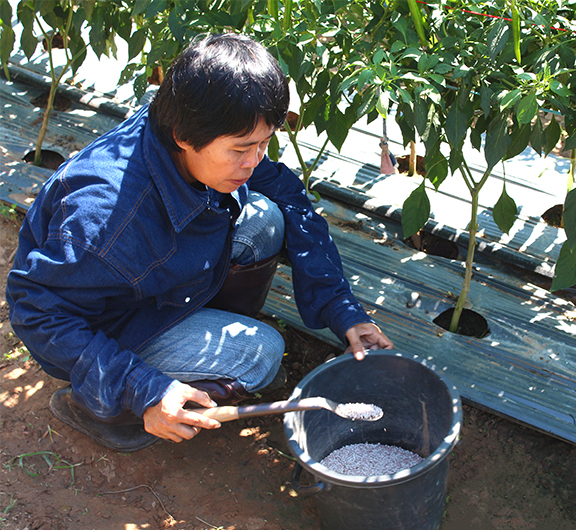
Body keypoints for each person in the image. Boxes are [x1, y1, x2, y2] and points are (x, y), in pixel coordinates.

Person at [6, 33, 393, 452]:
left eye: (264, 143)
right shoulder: (107, 225)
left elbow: (287, 194)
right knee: (261, 354)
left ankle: (198, 334)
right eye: (243, 149)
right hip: (109, 323)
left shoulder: (197, 121)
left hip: (151, 278)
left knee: (266, 219)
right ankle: (100, 408)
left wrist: (342, 310)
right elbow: (38, 311)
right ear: (184, 137)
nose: (255, 159)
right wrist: (142, 388)